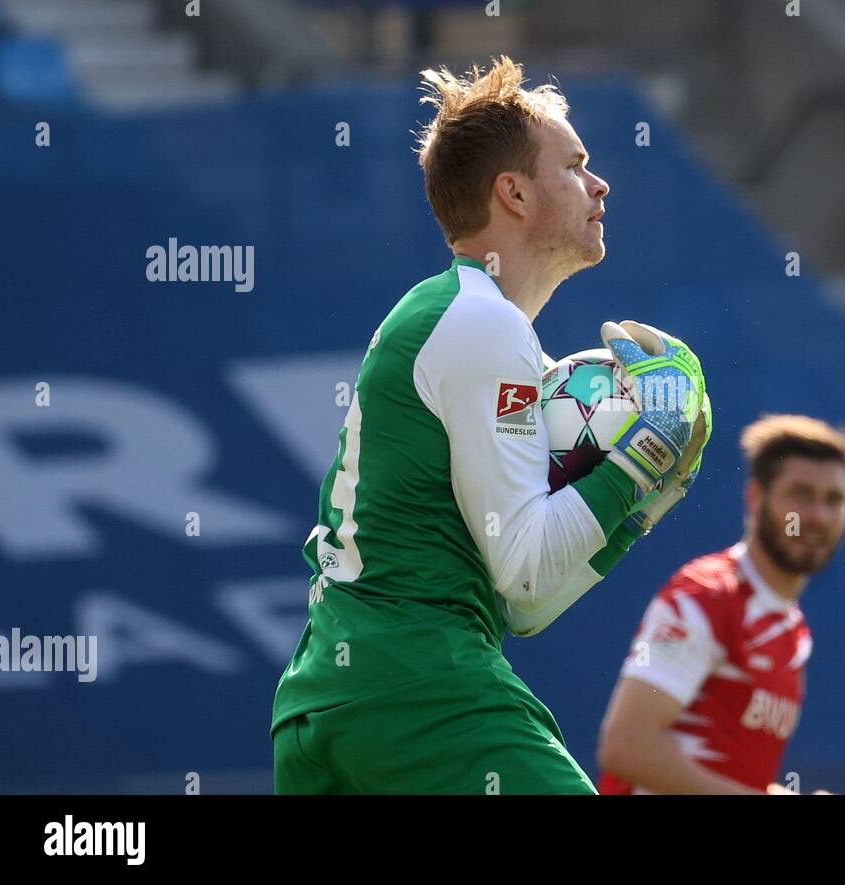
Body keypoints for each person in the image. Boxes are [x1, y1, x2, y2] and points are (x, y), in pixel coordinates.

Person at [272, 56, 709, 794]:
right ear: (512, 192)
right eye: (574, 166)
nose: (599, 185)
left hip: (336, 700)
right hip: (419, 688)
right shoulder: (482, 324)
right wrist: (639, 462)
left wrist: (645, 500)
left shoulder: (472, 321)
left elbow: (525, 605)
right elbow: (529, 566)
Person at [597, 414, 845, 794]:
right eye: (801, 495)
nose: (818, 516)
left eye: (834, 500)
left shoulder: (792, 629)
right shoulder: (705, 596)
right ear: (756, 497)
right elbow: (627, 746)